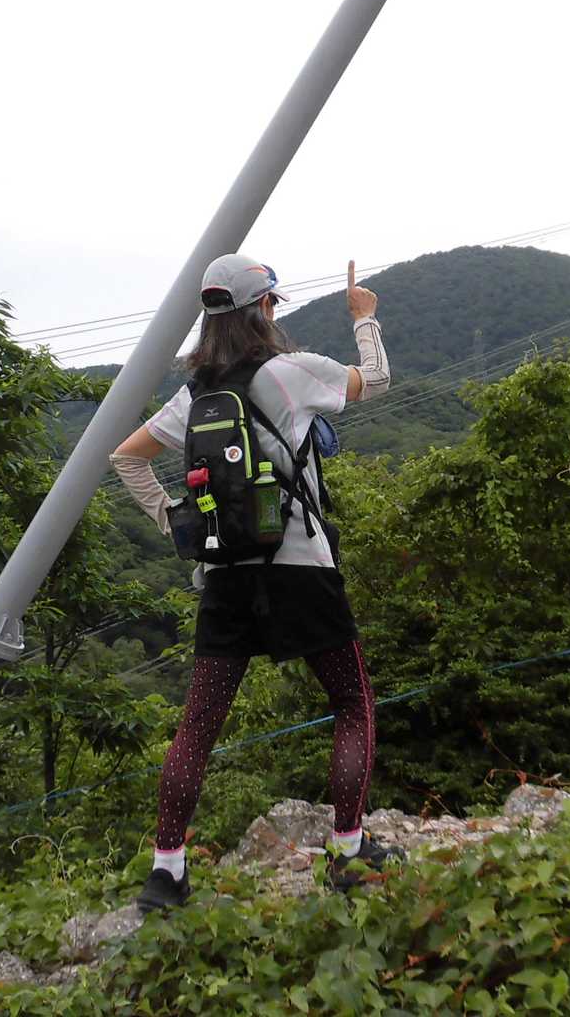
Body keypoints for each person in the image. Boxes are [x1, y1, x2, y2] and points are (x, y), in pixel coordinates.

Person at [108, 252, 399, 912]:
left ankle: (167, 872)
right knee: (352, 703)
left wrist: (176, 522)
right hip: (299, 569)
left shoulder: (195, 397)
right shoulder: (290, 372)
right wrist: (365, 317)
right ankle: (349, 851)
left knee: (199, 724)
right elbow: (377, 380)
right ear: (263, 308)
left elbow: (125, 456)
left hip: (225, 576)